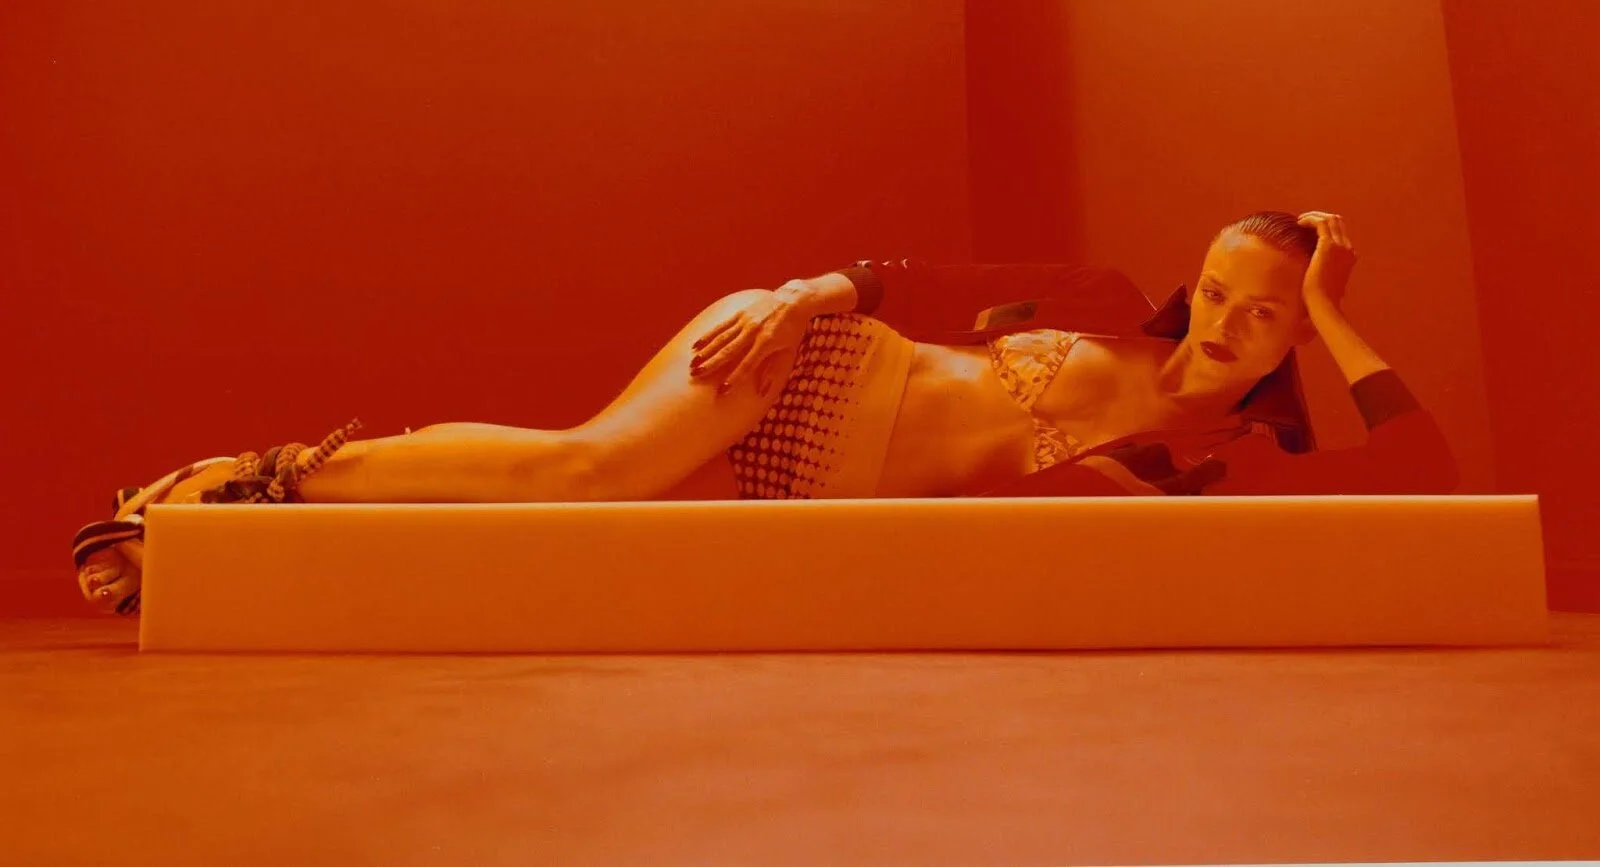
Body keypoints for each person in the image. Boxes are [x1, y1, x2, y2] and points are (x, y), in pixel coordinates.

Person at [73, 210, 1457, 614]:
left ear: (1296, 334)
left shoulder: (1236, 454)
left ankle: (233, 535)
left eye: (1260, 312)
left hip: (806, 504)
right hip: (810, 363)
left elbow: (1433, 480)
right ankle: (229, 486)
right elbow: (908, 280)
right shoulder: (1098, 298)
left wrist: (1336, 310)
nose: (1217, 321)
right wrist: (803, 296)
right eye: (1214, 289)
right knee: (580, 473)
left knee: (541, 539)